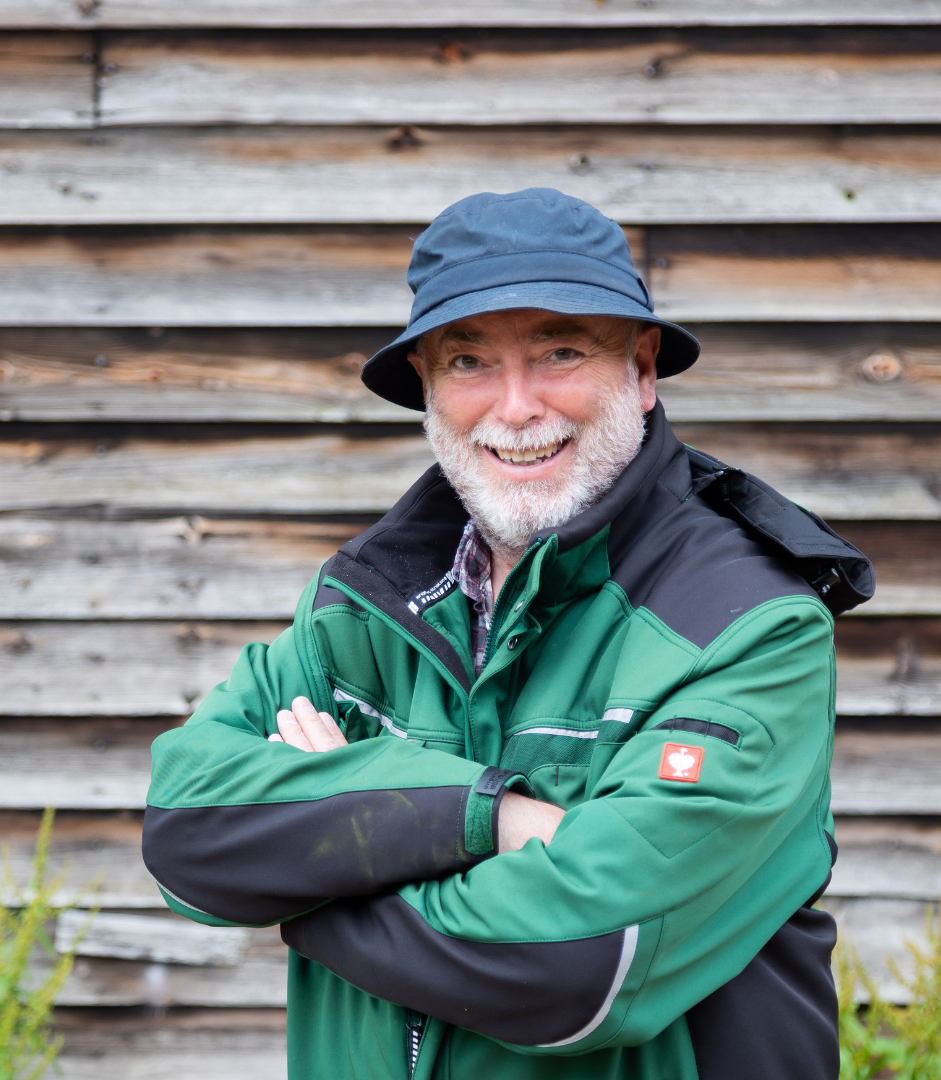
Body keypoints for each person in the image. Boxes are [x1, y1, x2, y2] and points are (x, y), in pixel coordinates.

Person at [142, 187, 873, 1080]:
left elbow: (580, 963)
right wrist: (495, 817)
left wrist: (311, 870)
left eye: (560, 351)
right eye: (468, 361)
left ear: (642, 371)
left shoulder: (749, 625)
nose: (516, 406)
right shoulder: (361, 603)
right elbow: (187, 825)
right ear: (426, 385)